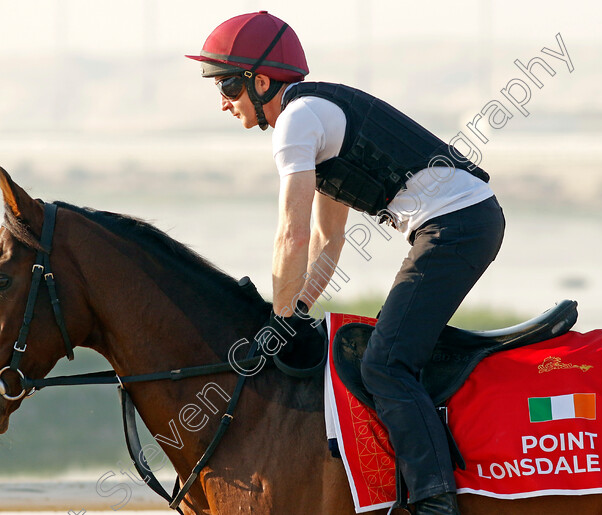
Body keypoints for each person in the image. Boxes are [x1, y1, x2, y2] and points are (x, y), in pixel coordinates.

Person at [187, 11, 504, 515]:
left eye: (227, 85)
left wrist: (282, 316)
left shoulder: (295, 122)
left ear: (261, 80)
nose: (223, 102)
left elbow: (289, 234)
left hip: (457, 227)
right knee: (389, 353)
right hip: (460, 223)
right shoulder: (315, 114)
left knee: (386, 362)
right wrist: (301, 306)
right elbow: (326, 238)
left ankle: (435, 498)